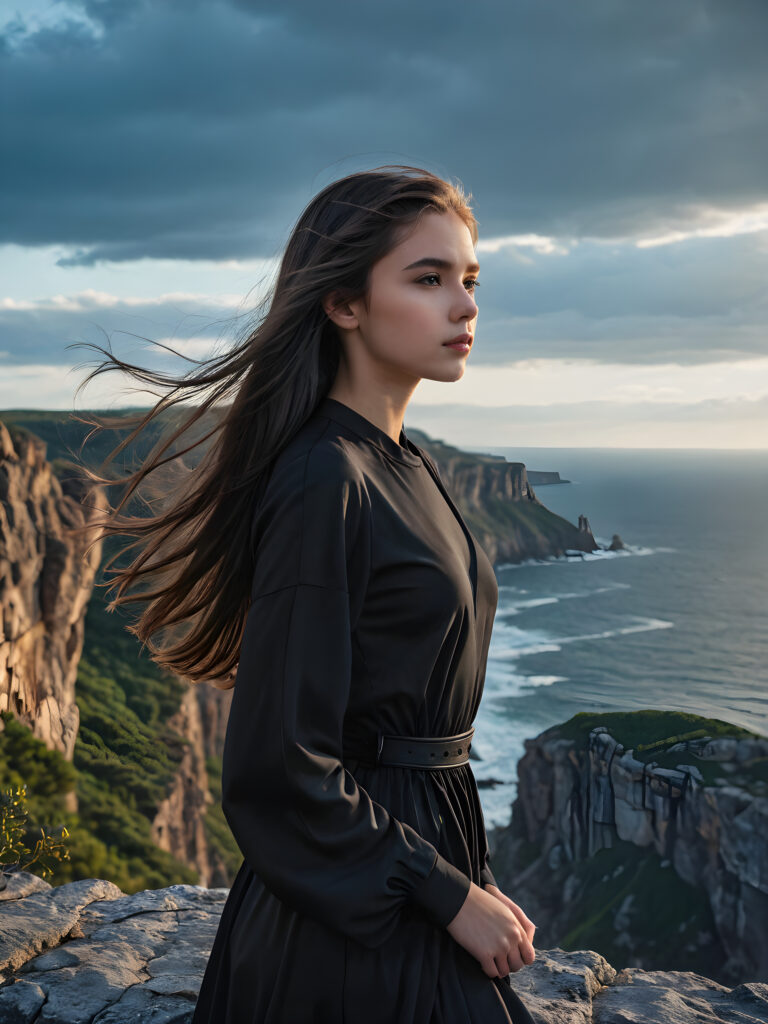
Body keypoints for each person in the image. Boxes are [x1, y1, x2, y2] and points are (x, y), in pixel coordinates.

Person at [68, 164, 537, 1023]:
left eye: (469, 281)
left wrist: (470, 881)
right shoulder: (328, 476)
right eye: (428, 279)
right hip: (349, 933)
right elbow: (278, 764)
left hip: (415, 884)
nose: (465, 306)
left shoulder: (408, 463)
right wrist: (448, 895)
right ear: (344, 303)